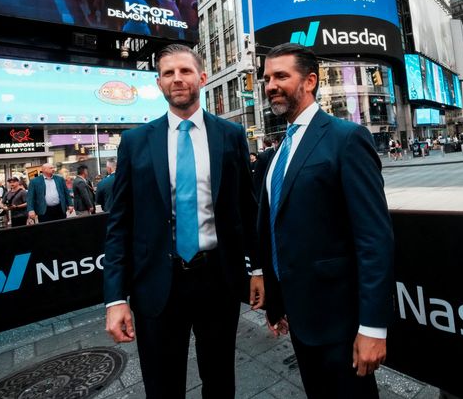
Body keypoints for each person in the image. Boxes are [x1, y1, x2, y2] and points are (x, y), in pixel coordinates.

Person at [103, 44, 264, 399]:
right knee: (162, 385)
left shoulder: (231, 136)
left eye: (185, 71)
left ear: (202, 78)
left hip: (218, 280)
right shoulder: (135, 142)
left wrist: (257, 270)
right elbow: (119, 224)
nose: (177, 79)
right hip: (157, 284)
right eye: (168, 73)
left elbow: (246, 210)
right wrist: (115, 298)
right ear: (159, 83)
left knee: (220, 378)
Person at [258, 44, 394, 398]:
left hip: (342, 325)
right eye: (267, 77)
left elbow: (374, 238)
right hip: (301, 320)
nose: (270, 84)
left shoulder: (346, 138)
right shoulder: (274, 156)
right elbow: (279, 229)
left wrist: (373, 327)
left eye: (281, 76)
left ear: (311, 81)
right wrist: (279, 302)